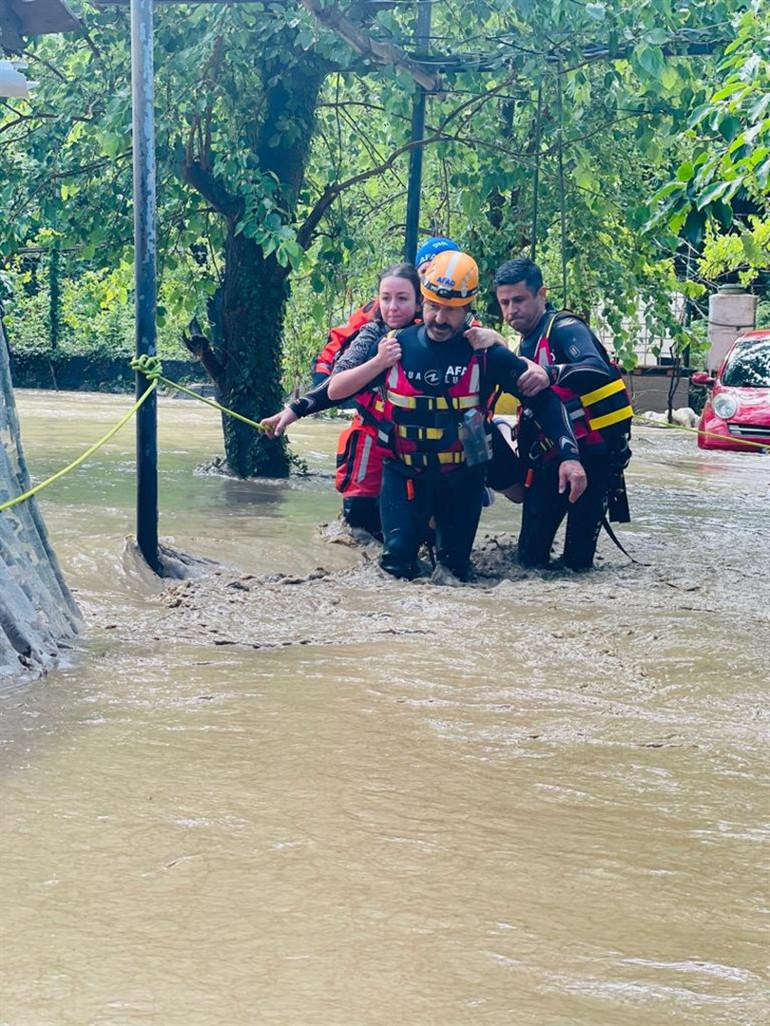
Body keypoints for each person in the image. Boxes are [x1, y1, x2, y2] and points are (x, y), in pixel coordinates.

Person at [327, 251, 586, 582]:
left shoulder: (486, 353)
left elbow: (546, 402)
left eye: (450, 310)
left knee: (454, 573)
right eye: (433, 306)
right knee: (396, 566)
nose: (439, 318)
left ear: (467, 308)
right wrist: (293, 411)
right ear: (423, 302)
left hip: (463, 477)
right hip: (405, 473)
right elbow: (333, 390)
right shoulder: (393, 347)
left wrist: (569, 456)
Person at [467, 255, 633, 571]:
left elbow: (596, 366)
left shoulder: (565, 328)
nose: (511, 310)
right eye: (504, 303)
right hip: (548, 459)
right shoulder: (525, 343)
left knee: (578, 564)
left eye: (519, 300)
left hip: (595, 458)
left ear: (541, 295)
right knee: (529, 559)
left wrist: (551, 373)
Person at [261, 263, 424, 536]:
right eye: (386, 298)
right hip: (374, 430)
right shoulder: (371, 334)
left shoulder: (438, 332)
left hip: (420, 441)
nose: (393, 307)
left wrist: (493, 339)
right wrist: (292, 411)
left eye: (402, 299)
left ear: (419, 303)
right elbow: (334, 387)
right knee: (358, 523)